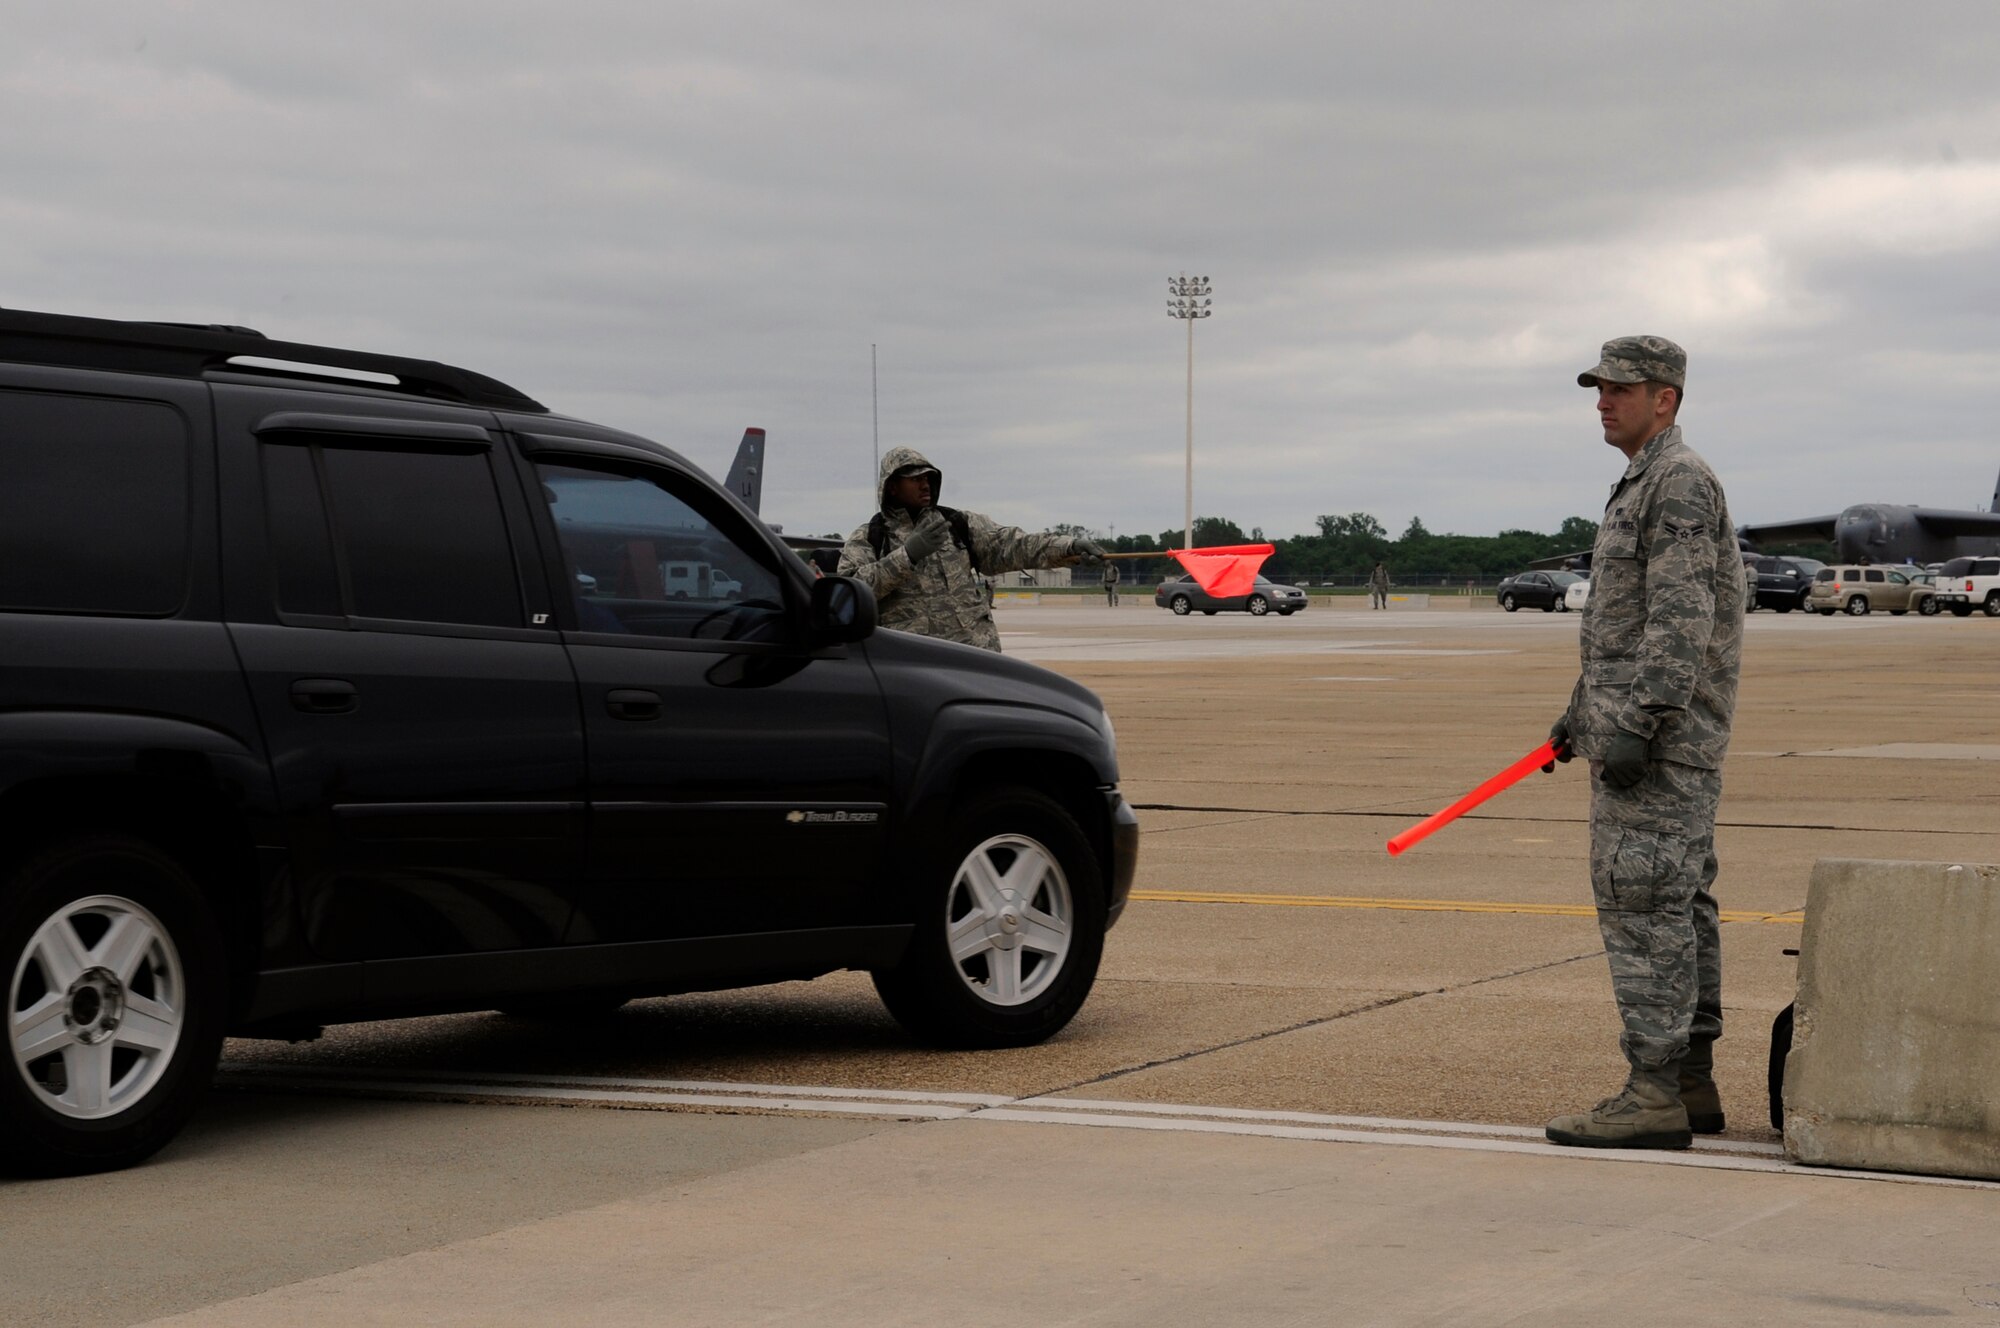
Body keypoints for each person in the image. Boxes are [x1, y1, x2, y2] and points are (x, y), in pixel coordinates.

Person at [1543, 336, 1744, 1151]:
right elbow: (1624, 626)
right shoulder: (1644, 482)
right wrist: (1581, 712)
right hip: (1644, 728)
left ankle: (1654, 1089)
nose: (1603, 399)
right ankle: (1689, 1082)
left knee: (1644, 903)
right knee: (1679, 902)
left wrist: (1635, 723)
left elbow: (1681, 621)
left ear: (1666, 398)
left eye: (1621, 388)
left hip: (1659, 745)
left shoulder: (1677, 480)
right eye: (1599, 387)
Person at [838, 446, 1103, 652]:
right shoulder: (870, 537)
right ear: (892, 487)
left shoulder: (956, 524)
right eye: (914, 479)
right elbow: (848, 592)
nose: (924, 484)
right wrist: (907, 556)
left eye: (928, 477)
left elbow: (1012, 544)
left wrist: (1068, 547)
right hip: (914, 664)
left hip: (975, 659)